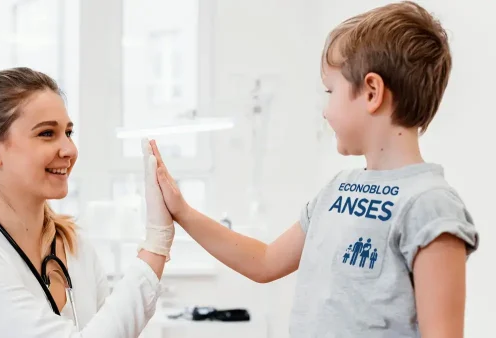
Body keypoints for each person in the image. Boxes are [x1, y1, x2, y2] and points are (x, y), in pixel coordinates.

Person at [148, 2, 479, 337]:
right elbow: (264, 262)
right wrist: (183, 212)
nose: (325, 111)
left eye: (330, 91)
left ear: (372, 92)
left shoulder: (430, 206)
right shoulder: (337, 190)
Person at [0, 67, 174, 338]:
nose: (69, 150)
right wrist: (155, 244)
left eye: (68, 132)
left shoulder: (76, 248)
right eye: (46, 134)